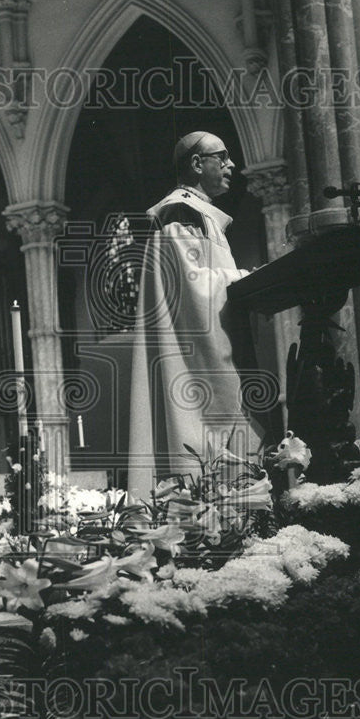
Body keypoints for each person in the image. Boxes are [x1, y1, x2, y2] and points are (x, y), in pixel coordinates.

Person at [127, 132, 263, 500]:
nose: (231, 165)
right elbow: (192, 289)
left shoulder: (203, 217)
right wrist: (245, 279)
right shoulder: (180, 215)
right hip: (193, 360)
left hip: (212, 350)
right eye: (222, 157)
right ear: (196, 164)